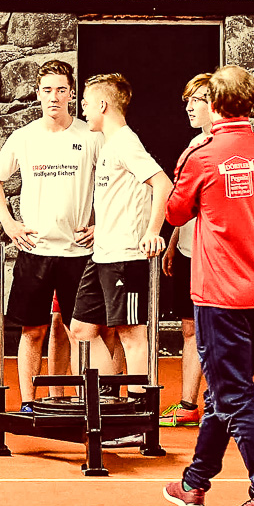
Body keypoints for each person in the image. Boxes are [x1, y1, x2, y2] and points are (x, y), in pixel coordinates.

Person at [160, 65, 254, 506]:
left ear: (214, 105)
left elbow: (175, 212)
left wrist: (188, 155)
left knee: (232, 394)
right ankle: (195, 481)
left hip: (221, 292)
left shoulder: (204, 154)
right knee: (223, 389)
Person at [0, 60, 102, 409]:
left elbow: (117, 183)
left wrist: (102, 225)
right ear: (37, 94)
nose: (54, 97)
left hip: (78, 252)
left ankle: (82, 404)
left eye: (61, 90)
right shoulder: (24, 137)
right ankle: (28, 403)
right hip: (34, 249)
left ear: (71, 93)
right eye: (47, 90)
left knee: (79, 332)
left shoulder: (91, 136)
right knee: (32, 331)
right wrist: (8, 223)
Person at [70, 73, 172, 391]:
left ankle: (140, 416)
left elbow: (163, 184)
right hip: (102, 254)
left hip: (126, 257)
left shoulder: (126, 142)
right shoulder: (110, 145)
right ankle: (108, 403)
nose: (83, 110)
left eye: (86, 104)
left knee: (132, 335)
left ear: (103, 104)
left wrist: (153, 231)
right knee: (81, 330)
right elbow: (124, 197)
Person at [159, 73, 214, 427]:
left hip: (217, 258)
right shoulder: (192, 146)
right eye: (189, 100)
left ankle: (225, 403)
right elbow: (182, 201)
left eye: (199, 99)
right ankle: (187, 403)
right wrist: (174, 242)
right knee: (190, 329)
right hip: (188, 253)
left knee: (218, 330)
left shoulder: (228, 147)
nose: (191, 107)